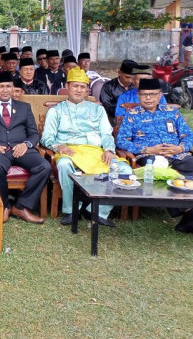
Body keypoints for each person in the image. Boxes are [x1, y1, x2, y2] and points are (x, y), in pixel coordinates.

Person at [116, 78, 193, 238]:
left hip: (177, 154)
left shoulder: (171, 112)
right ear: (138, 96)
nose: (148, 98)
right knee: (160, 169)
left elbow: (188, 134)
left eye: (152, 94)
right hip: (149, 156)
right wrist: (147, 149)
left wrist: (180, 147)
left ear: (160, 95)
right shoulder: (132, 115)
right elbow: (121, 140)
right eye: (144, 95)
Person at [41, 68, 132, 227]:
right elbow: (46, 137)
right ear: (67, 87)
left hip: (95, 151)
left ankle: (97, 211)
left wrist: (109, 150)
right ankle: (71, 210)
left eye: (82, 87)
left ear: (87, 90)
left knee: (125, 171)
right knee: (63, 164)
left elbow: (106, 134)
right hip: (69, 150)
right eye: (75, 86)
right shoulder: (56, 111)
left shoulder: (97, 109)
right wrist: (59, 146)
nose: (78, 90)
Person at [0, 71, 48, 223]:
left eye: (8, 86)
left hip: (22, 149)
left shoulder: (24, 107)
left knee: (44, 166)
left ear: (13, 88)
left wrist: (26, 144)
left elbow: (34, 134)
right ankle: (4, 206)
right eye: (1, 86)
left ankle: (21, 206)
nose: (5, 90)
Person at [99, 59, 138, 123]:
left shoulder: (136, 86)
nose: (130, 81)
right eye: (127, 77)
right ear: (119, 73)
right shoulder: (109, 87)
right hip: (114, 119)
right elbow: (107, 107)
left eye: (133, 78)